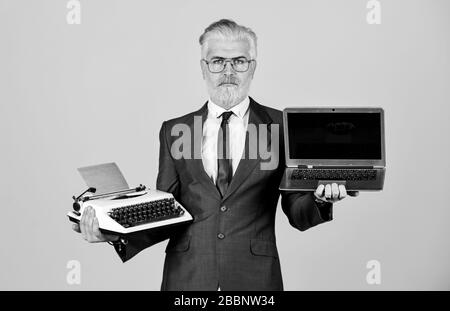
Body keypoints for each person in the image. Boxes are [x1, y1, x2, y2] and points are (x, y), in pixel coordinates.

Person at [72, 19, 358, 290]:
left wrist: (320, 199)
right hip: (187, 279)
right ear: (204, 67)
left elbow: (297, 212)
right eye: (218, 61)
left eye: (239, 61)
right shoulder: (175, 130)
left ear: (253, 67)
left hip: (254, 280)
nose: (228, 71)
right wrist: (112, 233)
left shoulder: (281, 127)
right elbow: (167, 214)